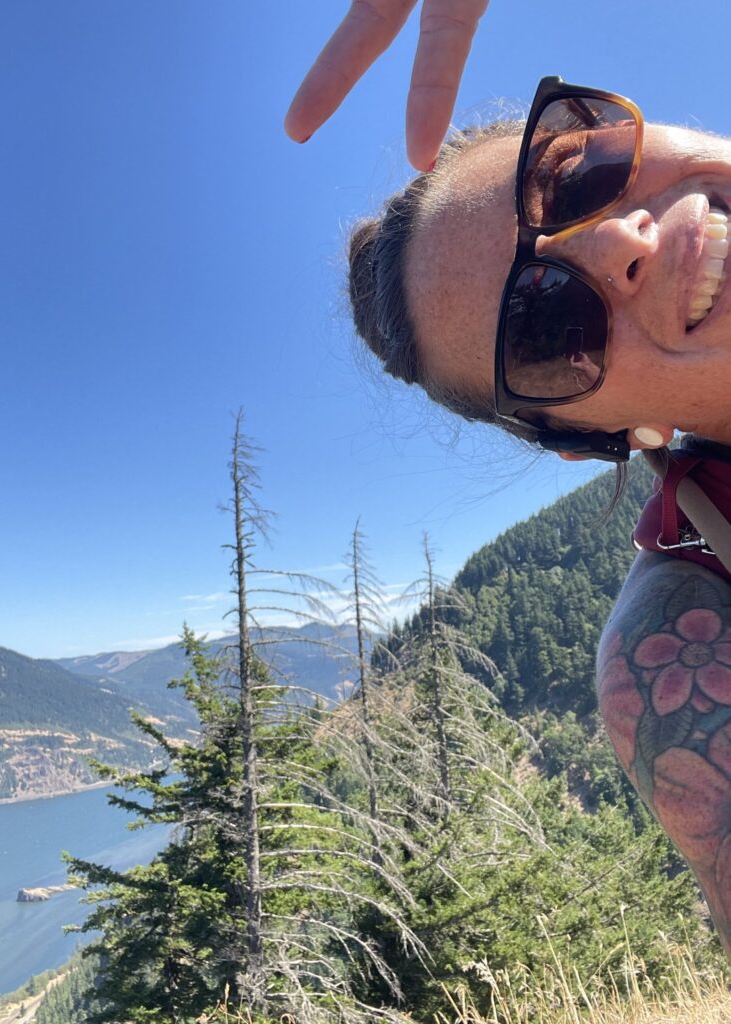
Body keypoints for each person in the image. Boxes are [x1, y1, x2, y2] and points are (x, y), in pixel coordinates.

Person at [286, 1, 731, 962]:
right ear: (606, 436)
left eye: (578, 171)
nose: (618, 246)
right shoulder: (688, 645)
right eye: (546, 331)